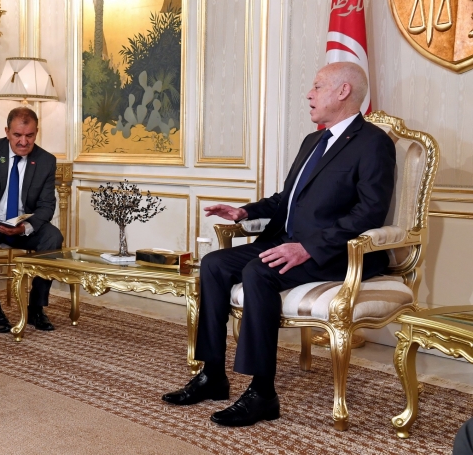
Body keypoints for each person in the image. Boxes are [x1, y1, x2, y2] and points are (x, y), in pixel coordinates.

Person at [162, 62, 396, 427]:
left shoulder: (373, 143)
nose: (309, 94)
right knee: (214, 264)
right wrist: (245, 212)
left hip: (335, 253)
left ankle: (262, 393)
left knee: (259, 272)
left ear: (343, 91)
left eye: (317, 87)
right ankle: (213, 374)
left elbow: (369, 213)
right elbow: (286, 201)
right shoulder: (313, 141)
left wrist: (308, 248)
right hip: (287, 240)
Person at [0, 107, 63, 333]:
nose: (24, 142)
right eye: (17, 135)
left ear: (37, 132)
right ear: (7, 132)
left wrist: (26, 227)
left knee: (53, 237)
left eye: (30, 135)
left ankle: (36, 309)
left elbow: (47, 205)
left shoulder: (46, 160)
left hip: (22, 227)